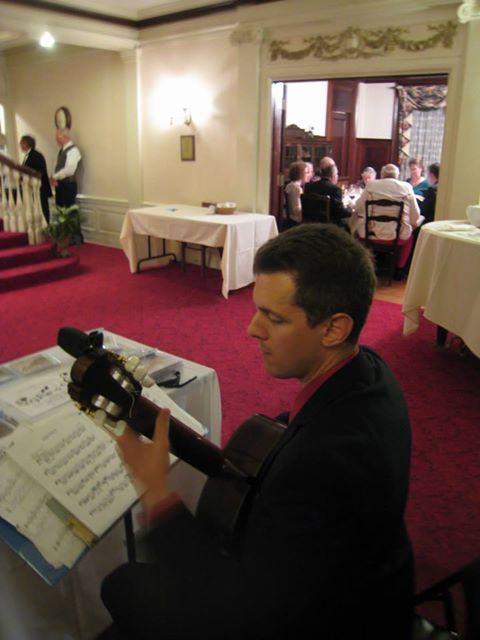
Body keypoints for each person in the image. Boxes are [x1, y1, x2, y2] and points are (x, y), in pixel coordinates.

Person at [99, 224, 414, 640]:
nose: (252, 329)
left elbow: (245, 612)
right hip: (372, 571)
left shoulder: (321, 462)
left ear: (333, 328)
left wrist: (157, 493)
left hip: (338, 619)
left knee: (121, 584)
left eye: (274, 318)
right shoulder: (367, 367)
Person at [352, 163, 422, 275]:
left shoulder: (371, 185)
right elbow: (416, 215)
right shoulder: (406, 187)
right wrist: (412, 222)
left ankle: (362, 265)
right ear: (397, 176)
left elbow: (358, 207)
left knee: (355, 230)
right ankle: (399, 270)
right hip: (397, 236)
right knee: (409, 236)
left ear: (382, 175)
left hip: (371, 234)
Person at [302, 162, 352, 229]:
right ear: (333, 175)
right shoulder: (335, 189)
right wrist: (351, 209)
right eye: (337, 174)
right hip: (329, 226)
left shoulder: (309, 186)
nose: (337, 176)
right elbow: (340, 212)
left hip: (310, 224)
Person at [20, 135, 52, 223]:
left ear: (26, 144)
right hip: (31, 189)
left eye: (21, 143)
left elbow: (40, 172)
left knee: (43, 209)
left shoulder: (36, 155)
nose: (20, 145)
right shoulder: (28, 155)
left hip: (40, 188)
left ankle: (46, 226)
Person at [50, 128, 81, 207]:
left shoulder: (73, 150)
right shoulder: (61, 150)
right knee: (60, 209)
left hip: (68, 185)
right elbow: (58, 165)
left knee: (67, 210)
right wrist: (54, 178)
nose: (56, 140)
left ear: (64, 137)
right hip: (60, 185)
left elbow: (70, 170)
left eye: (57, 137)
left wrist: (55, 177)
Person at [282, 160, 308, 229]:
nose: (307, 175)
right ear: (300, 174)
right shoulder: (296, 188)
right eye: (306, 172)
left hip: (291, 218)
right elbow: (295, 210)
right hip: (295, 220)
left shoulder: (289, 185)